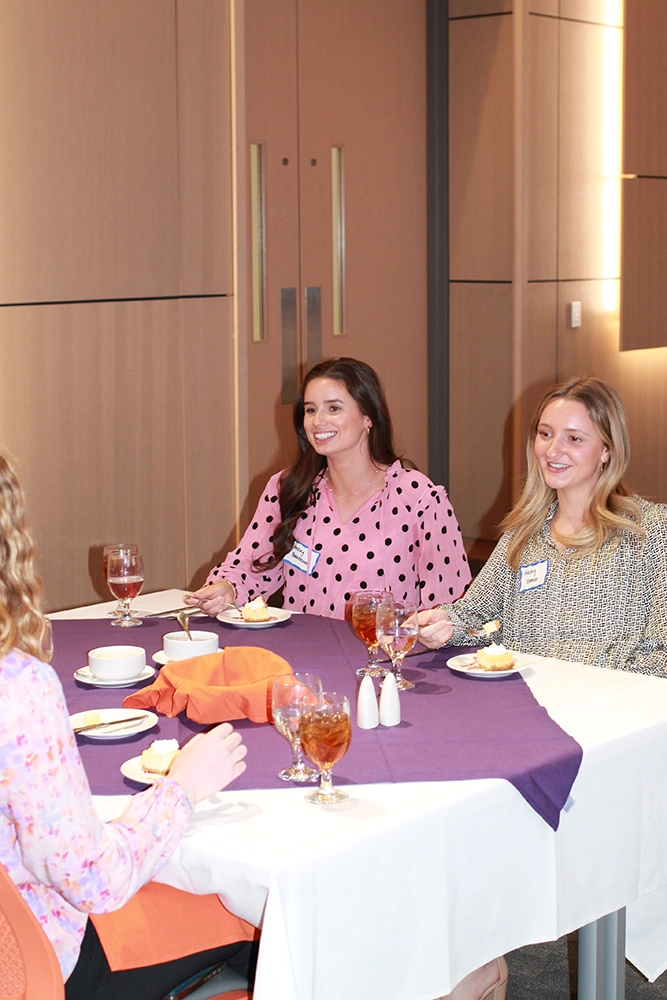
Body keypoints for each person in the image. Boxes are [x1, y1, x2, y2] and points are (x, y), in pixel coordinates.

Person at [0, 449, 253, 999]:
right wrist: (182, 787)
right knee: (261, 917)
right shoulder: (16, 685)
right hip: (39, 965)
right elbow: (94, 878)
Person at [418, 376, 667, 677]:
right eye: (545, 434)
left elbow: (661, 652)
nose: (552, 450)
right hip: (525, 703)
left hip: (611, 711)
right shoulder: (523, 533)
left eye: (573, 439)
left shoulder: (649, 530)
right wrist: (441, 625)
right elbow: (476, 616)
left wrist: (606, 693)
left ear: (607, 450)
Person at [186, 357, 471, 618]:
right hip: (302, 658)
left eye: (333, 408)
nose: (318, 421)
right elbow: (253, 565)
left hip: (382, 662)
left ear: (368, 417)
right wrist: (228, 588)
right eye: (311, 410)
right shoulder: (289, 488)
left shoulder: (417, 497)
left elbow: (450, 605)